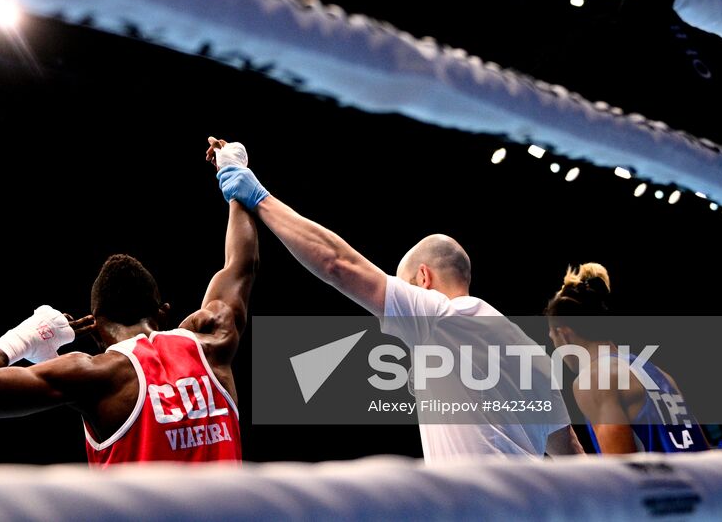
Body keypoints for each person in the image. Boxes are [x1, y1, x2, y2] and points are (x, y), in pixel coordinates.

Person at [209, 137, 582, 460]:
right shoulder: (529, 351)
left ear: (423, 278)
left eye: (404, 284)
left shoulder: (439, 316)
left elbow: (337, 263)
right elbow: (571, 454)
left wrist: (256, 195)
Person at [0, 156, 259, 465]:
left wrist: (27, 336)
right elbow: (241, 265)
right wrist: (232, 172)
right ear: (163, 313)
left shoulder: (96, 375)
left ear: (97, 329)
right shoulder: (214, 342)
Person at [545, 263, 709, 454]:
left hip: (663, 484)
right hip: (707, 482)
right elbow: (703, 452)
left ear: (564, 334)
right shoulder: (659, 374)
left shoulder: (595, 379)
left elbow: (624, 467)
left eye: (553, 339)